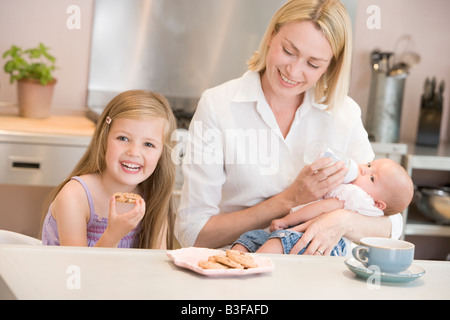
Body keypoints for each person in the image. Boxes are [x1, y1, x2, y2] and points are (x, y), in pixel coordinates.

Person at [175, 0, 404, 255]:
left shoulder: (344, 113)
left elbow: (392, 222)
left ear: (331, 65)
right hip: (240, 270)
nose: (293, 71)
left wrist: (341, 220)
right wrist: (289, 200)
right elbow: (192, 233)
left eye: (313, 64)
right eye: (288, 50)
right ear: (272, 36)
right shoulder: (218, 106)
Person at [41, 90, 177, 249]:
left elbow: (155, 267)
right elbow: (78, 270)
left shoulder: (155, 197)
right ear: (104, 138)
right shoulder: (74, 196)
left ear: (162, 153)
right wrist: (113, 234)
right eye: (123, 138)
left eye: (148, 144)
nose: (133, 152)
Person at [232, 158, 414, 256]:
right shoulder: (366, 199)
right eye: (368, 164)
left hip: (311, 239)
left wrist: (285, 220)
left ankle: (250, 269)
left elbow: (321, 208)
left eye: (372, 178)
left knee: (275, 242)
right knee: (252, 238)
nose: (364, 170)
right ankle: (234, 264)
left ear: (378, 203)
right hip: (302, 237)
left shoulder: (354, 194)